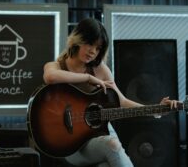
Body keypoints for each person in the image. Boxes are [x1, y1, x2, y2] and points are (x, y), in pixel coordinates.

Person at [43, 18, 179, 167]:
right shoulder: (56, 66)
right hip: (71, 144)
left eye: (98, 48)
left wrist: (157, 109)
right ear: (77, 39)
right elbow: (50, 77)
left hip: (102, 134)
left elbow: (122, 102)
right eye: (90, 44)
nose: (93, 52)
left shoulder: (99, 69)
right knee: (112, 145)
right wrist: (88, 78)